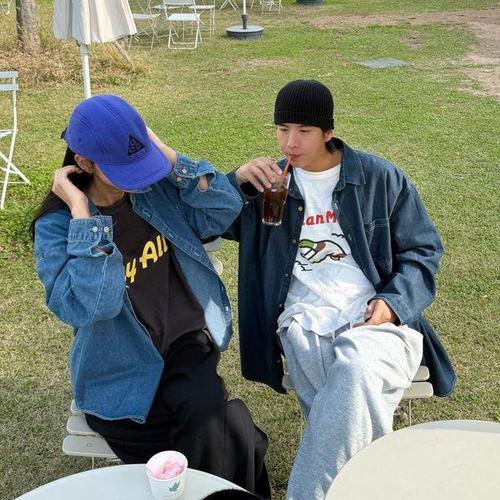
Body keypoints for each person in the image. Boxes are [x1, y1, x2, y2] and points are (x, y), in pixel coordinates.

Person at [223, 80, 455, 499]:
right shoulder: (269, 184)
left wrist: (392, 303)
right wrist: (235, 182)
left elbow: (423, 250)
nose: (290, 143)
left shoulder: (378, 178)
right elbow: (209, 222)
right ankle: (366, 482)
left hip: (375, 319)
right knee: (346, 396)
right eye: (282, 129)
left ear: (328, 131)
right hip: (303, 318)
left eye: (304, 131)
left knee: (353, 369)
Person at [30, 95, 270, 498]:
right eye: (124, 169)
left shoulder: (153, 190)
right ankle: (242, 440)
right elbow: (93, 306)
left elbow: (225, 208)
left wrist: (168, 156)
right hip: (118, 371)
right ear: (84, 163)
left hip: (185, 344)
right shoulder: (56, 227)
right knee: (224, 428)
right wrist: (83, 216)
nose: (139, 177)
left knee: (203, 414)